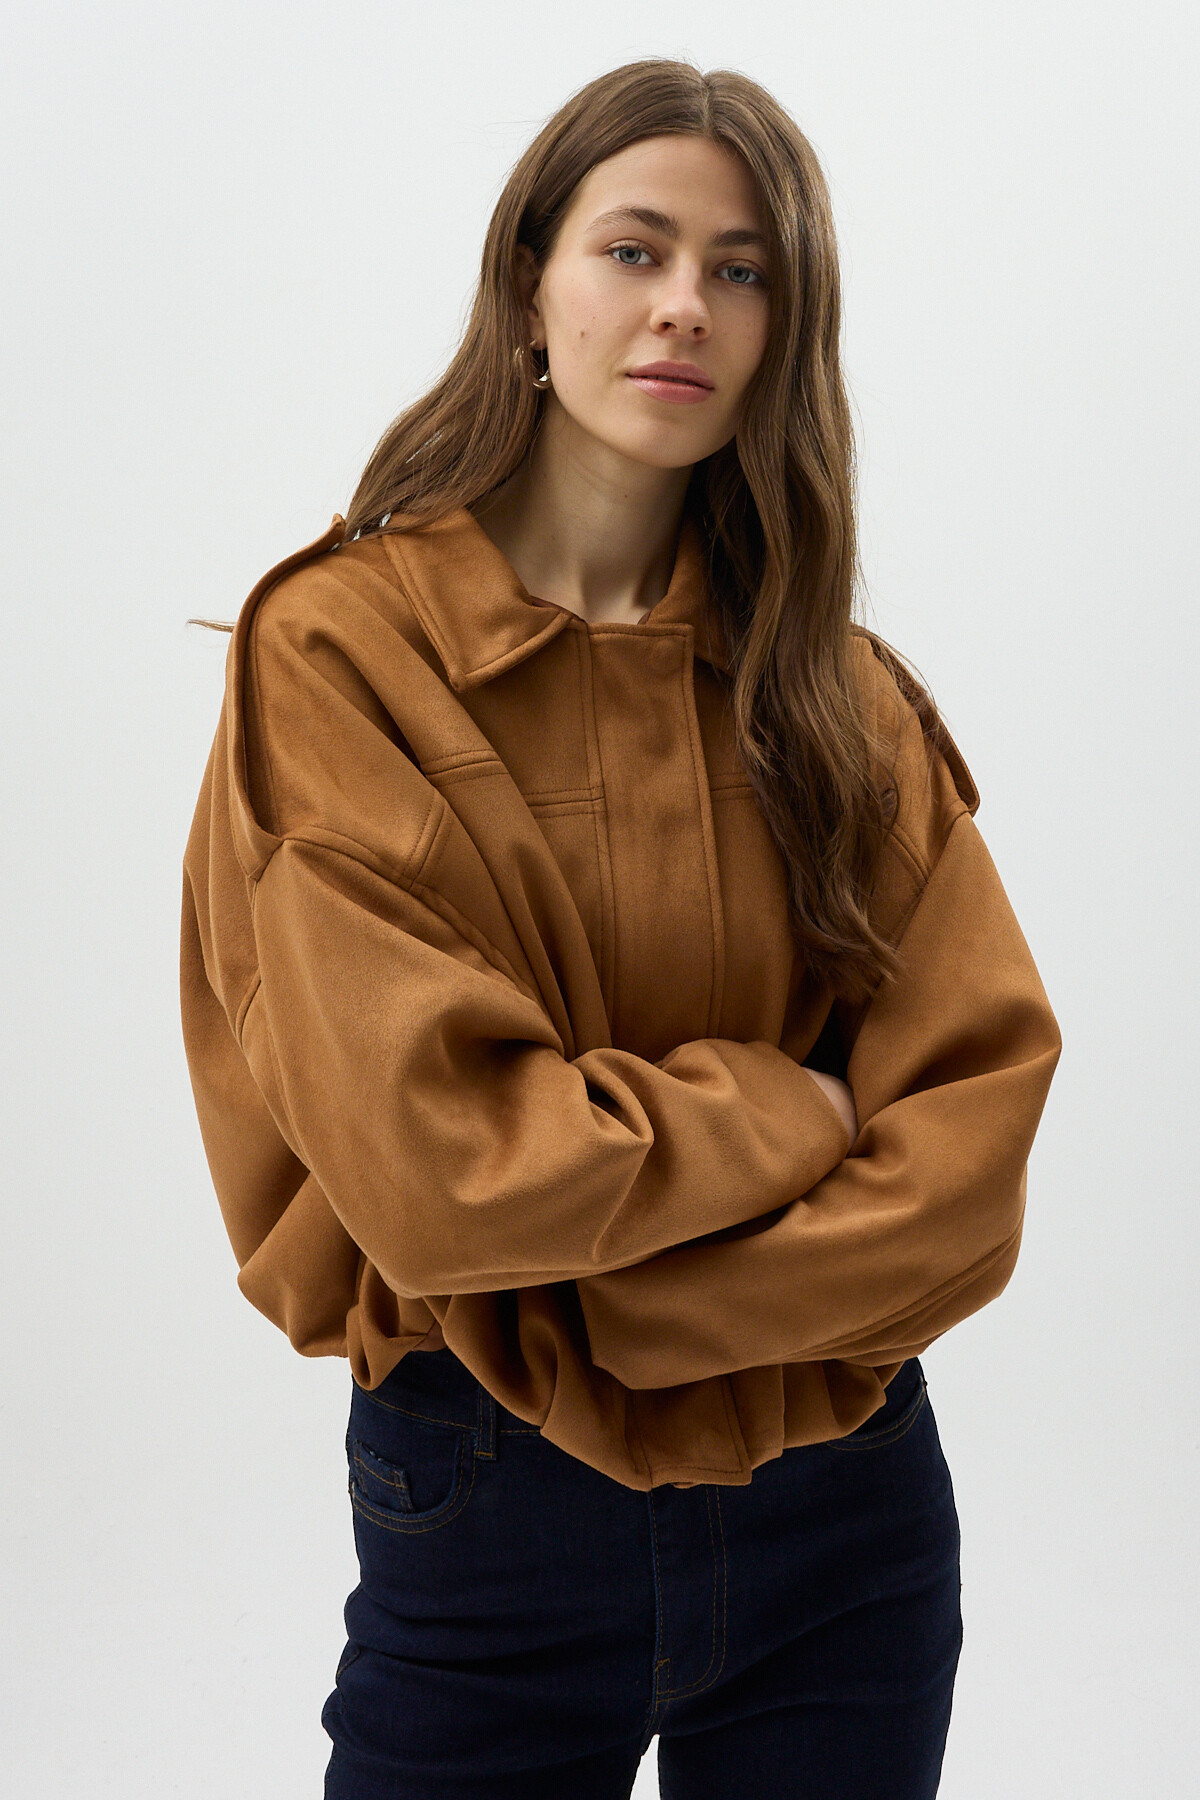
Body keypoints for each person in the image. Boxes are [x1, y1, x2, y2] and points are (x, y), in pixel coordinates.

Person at [180, 56, 1062, 1800]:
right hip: (492, 1501)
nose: (686, 307)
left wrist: (619, 1302)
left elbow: (971, 1158)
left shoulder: (835, 692)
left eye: (743, 270)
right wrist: (795, 1111)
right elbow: (445, 1171)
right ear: (530, 288)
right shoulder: (341, 657)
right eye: (635, 249)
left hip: (849, 1512)